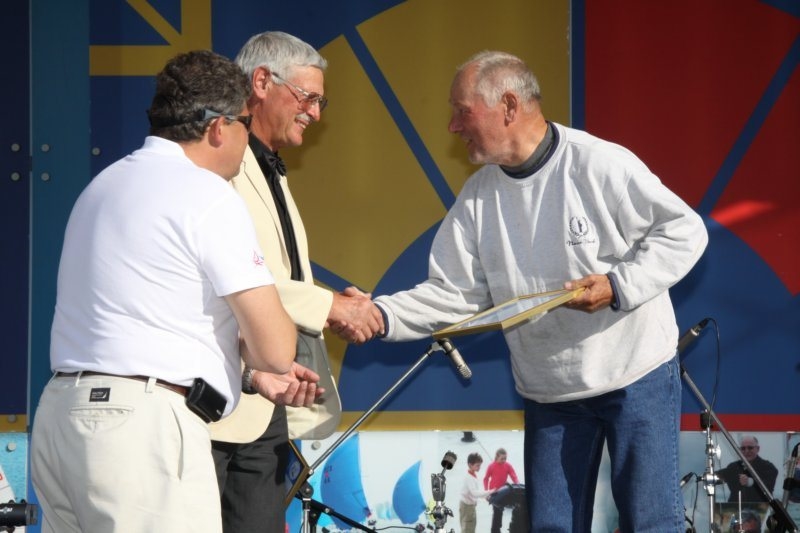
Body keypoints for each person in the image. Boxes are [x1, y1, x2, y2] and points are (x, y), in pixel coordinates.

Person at [344, 50, 708, 531]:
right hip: (550, 391)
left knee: (651, 524)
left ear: (509, 106)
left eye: (462, 111)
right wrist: (379, 315)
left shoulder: (598, 163)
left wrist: (618, 285)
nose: (453, 126)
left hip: (636, 373)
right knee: (551, 527)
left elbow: (685, 231)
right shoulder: (478, 197)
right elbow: (454, 294)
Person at [30, 50, 298, 533]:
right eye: (245, 123)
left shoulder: (103, 186)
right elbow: (277, 350)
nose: (247, 141)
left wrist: (243, 368)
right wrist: (261, 354)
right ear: (218, 128)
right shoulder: (209, 194)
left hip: (61, 416)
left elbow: (147, 318)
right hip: (142, 429)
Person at [208, 31, 384, 533]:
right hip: (216, 402)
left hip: (269, 405)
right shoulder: (217, 164)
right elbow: (233, 273)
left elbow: (278, 275)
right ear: (262, 82)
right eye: (308, 97)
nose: (315, 113)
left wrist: (330, 303)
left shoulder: (272, 168)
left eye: (321, 102)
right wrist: (331, 307)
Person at [719, 435, 779, 503]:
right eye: (743, 448)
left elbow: (767, 487)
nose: (746, 451)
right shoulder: (732, 467)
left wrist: (750, 482)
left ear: (758, 449)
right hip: (735, 508)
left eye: (750, 448)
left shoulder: (769, 468)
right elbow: (717, 477)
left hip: (760, 507)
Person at [484, 448, 520, 533]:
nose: (504, 460)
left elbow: (513, 475)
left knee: (517, 505)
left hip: (504, 491)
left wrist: (517, 484)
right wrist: (486, 492)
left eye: (505, 458)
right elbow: (486, 479)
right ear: (497, 457)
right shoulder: (491, 466)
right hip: (495, 493)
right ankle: (495, 530)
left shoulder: (507, 465)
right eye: (502, 459)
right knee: (497, 513)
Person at [460, 453, 494, 533]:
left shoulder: (473, 475)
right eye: (477, 465)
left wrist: (485, 496)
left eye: (480, 465)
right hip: (467, 508)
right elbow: (475, 493)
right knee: (468, 530)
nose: (479, 467)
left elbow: (474, 493)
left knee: (470, 528)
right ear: (470, 465)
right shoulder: (469, 478)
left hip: (469, 506)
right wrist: (490, 491)